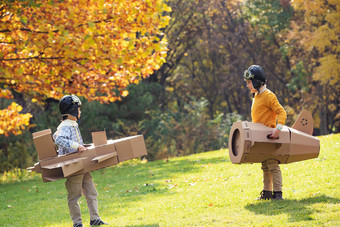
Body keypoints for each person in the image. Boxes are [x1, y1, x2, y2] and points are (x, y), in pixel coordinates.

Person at [53, 95, 108, 227]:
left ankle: (95, 219)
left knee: (91, 192)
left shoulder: (72, 124)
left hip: (82, 164)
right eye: (78, 108)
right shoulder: (65, 125)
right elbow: (58, 139)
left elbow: (65, 138)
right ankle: (77, 223)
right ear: (72, 110)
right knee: (74, 195)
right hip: (73, 166)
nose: (80, 111)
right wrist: (76, 146)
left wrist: (82, 147)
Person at [243, 65, 287, 200]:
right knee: (265, 166)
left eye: (249, 83)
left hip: (270, 137)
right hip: (260, 138)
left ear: (257, 82)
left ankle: (278, 194)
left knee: (273, 165)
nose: (248, 86)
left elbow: (282, 112)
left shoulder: (268, 96)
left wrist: (277, 129)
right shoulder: (256, 96)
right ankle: (267, 193)